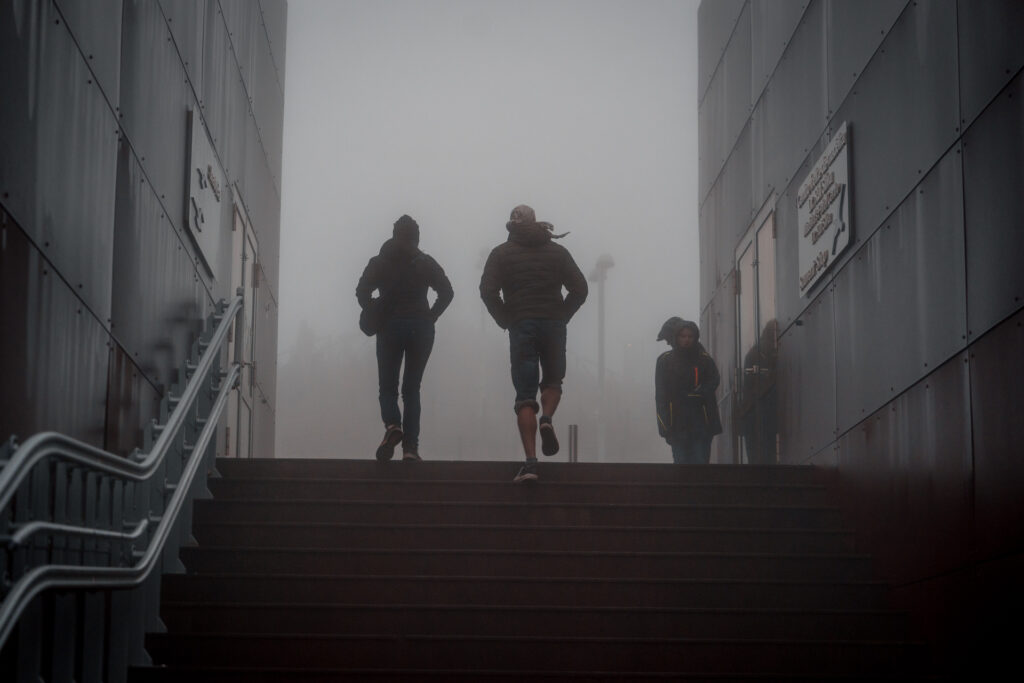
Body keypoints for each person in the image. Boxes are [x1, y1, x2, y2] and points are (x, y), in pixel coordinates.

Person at [480, 204, 588, 483]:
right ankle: (547, 419)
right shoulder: (557, 252)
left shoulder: (501, 254)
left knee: (525, 396)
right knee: (553, 381)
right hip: (553, 321)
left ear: (512, 224)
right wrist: (562, 315)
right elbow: (580, 288)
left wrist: (505, 318)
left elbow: (487, 291)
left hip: (521, 323)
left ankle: (530, 464)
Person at [356, 214, 453, 461]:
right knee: (412, 389)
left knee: (387, 385)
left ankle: (392, 426)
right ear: (416, 237)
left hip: (390, 327)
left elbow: (361, 290)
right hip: (420, 327)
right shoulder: (425, 262)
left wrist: (374, 309)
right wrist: (431, 317)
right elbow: (447, 292)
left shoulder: (379, 261)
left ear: (394, 235)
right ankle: (410, 449)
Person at [655, 317, 722, 464]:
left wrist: (700, 393)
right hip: (677, 424)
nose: (686, 340)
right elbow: (661, 396)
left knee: (700, 462)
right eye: (682, 336)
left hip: (701, 424)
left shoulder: (704, 360)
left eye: (690, 336)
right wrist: (665, 426)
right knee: (681, 464)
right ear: (676, 337)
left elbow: (714, 379)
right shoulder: (664, 361)